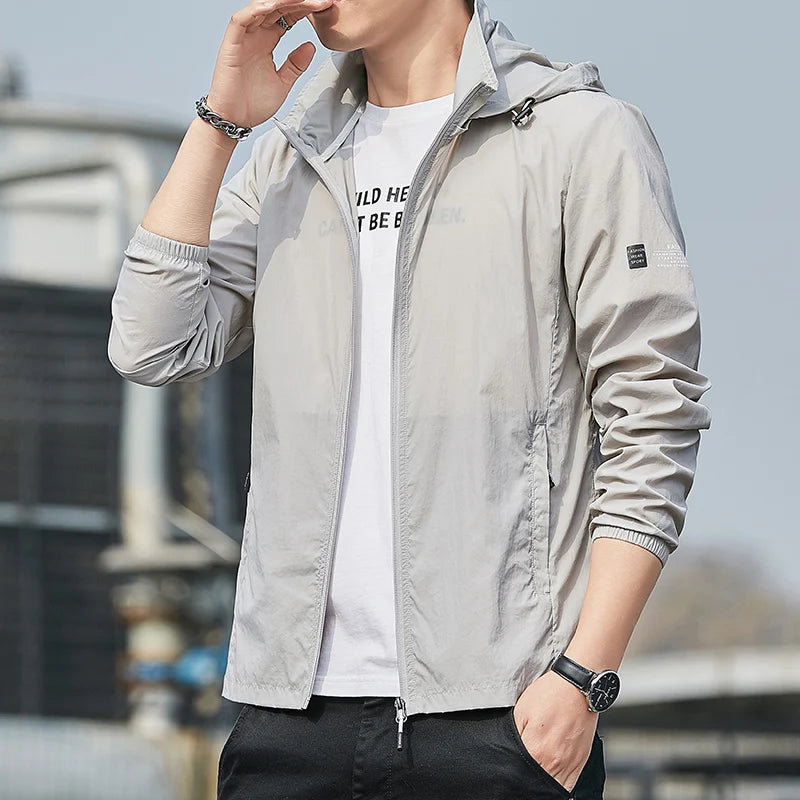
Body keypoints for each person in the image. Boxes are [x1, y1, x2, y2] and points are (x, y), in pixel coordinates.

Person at [107, 0, 712, 796]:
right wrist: (221, 122)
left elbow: (654, 418)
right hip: (287, 719)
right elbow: (151, 343)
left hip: (500, 716)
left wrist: (581, 676)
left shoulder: (578, 137)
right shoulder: (292, 155)